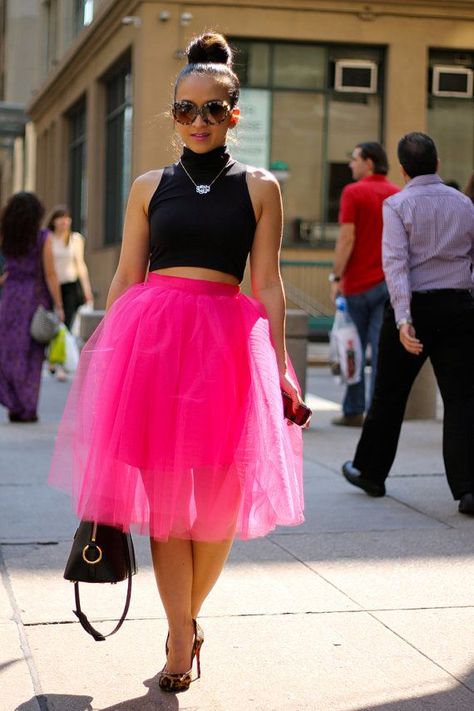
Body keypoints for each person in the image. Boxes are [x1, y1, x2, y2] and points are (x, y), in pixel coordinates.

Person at [49, 32, 304, 691]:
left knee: (217, 507)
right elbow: (127, 278)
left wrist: (277, 363)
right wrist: (108, 356)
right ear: (172, 112)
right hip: (156, 348)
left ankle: (184, 621)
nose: (196, 121)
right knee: (166, 506)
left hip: (226, 348)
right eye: (184, 109)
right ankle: (181, 641)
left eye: (211, 109)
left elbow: (268, 282)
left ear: (233, 115)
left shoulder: (261, 188)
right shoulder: (146, 186)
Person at [342, 132, 474, 517]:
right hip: (459, 306)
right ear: (437, 164)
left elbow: (396, 265)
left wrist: (403, 318)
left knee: (389, 394)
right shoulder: (465, 204)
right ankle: (468, 489)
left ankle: (370, 472)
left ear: (401, 169)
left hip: (414, 307)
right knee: (463, 400)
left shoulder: (397, 204)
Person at [329, 142, 400, 427]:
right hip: (387, 284)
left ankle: (353, 410)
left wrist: (336, 277)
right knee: (381, 351)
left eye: (354, 159)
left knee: (352, 350)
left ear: (369, 162)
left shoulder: (354, 192)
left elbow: (347, 238)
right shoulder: (396, 194)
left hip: (357, 285)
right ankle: (378, 413)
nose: (350, 164)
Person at [0, 192, 64, 422]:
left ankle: (14, 404)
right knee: (31, 355)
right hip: (34, 301)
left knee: (9, 351)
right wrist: (59, 305)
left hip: (10, 298)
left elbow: (8, 267)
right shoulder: (42, 237)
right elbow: (50, 274)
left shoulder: (7, 237)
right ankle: (27, 407)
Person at [47, 206, 93, 380]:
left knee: (66, 325)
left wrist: (87, 289)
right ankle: (54, 360)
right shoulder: (48, 238)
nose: (64, 221)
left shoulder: (76, 239)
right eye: (60, 217)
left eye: (67, 218)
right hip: (52, 286)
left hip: (71, 287)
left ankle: (59, 365)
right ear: (53, 221)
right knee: (54, 324)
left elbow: (80, 264)